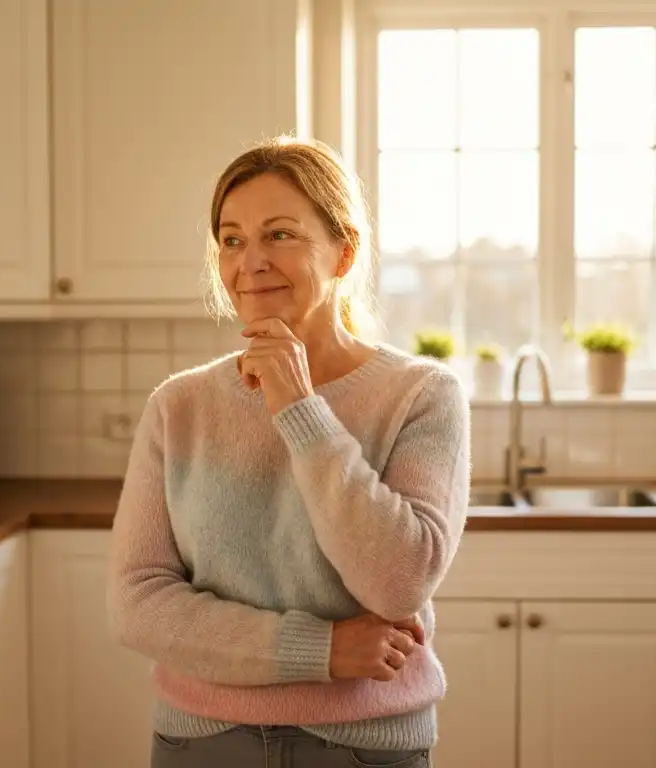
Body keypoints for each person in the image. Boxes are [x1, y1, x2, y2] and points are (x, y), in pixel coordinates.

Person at [107, 135, 470, 768]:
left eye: (280, 235)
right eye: (232, 238)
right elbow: (137, 604)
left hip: (364, 747)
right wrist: (319, 650)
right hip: (200, 742)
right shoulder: (179, 406)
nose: (250, 261)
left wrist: (300, 410)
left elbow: (400, 581)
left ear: (343, 253)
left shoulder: (421, 395)